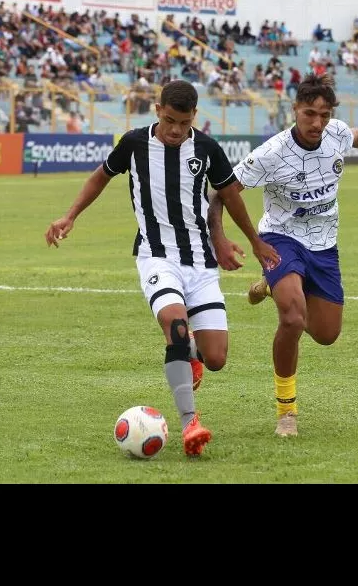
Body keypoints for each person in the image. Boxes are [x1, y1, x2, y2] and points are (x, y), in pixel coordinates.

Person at [44, 80, 280, 457]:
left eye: (183, 123)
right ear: (157, 110)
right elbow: (99, 177)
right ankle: (190, 422)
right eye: (169, 120)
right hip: (156, 255)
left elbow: (229, 195)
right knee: (175, 323)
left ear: (194, 118)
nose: (175, 130)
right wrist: (69, 216)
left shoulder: (206, 148)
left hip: (200, 262)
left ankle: (193, 359)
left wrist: (251, 240)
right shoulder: (135, 144)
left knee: (216, 358)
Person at [209, 74, 358, 437]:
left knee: (327, 334)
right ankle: (287, 412)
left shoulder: (336, 134)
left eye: (324, 115)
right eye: (309, 113)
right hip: (279, 238)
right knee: (294, 318)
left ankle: (271, 288)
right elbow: (220, 193)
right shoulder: (271, 153)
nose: (317, 123)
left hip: (324, 244)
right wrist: (223, 238)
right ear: (295, 110)